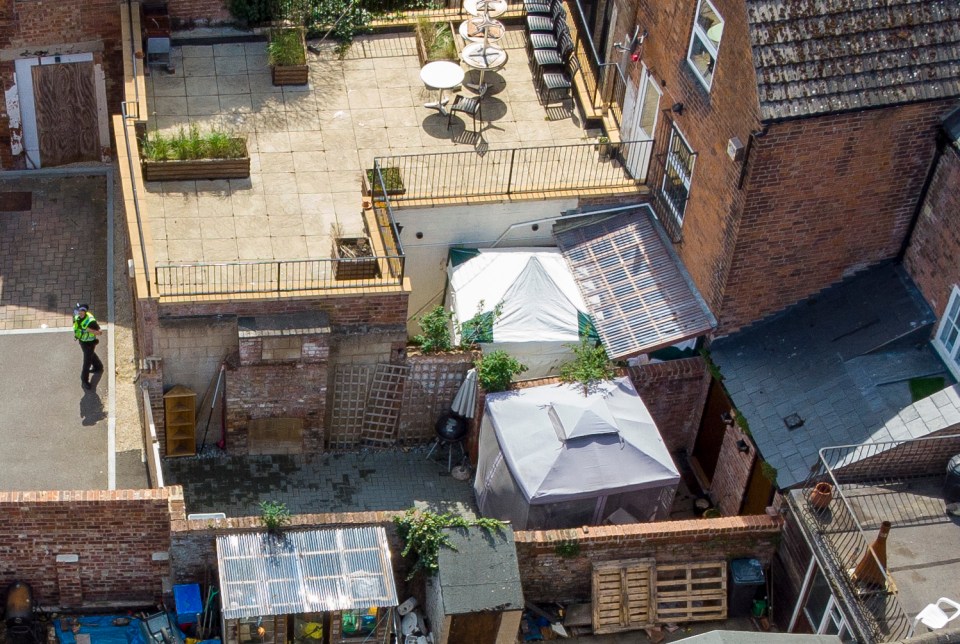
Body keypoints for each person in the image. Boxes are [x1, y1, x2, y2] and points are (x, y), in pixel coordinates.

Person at [73, 303, 103, 390]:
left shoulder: (91, 321)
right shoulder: (76, 317)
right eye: (78, 311)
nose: (80, 313)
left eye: (82, 311)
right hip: (82, 341)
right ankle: (98, 367)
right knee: (90, 355)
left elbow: (100, 332)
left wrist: (89, 330)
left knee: (86, 363)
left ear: (85, 312)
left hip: (90, 343)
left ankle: (84, 380)